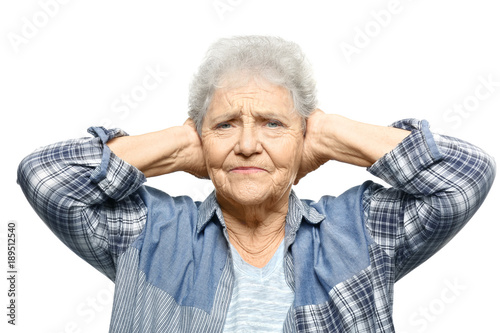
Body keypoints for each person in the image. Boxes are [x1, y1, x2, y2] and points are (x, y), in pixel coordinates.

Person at [18, 36, 495, 333]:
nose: (247, 145)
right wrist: (179, 144)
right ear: (200, 137)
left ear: (303, 136)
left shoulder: (364, 229)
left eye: (272, 124)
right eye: (225, 125)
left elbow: (465, 175)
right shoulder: (144, 230)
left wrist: (330, 132)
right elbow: (45, 176)